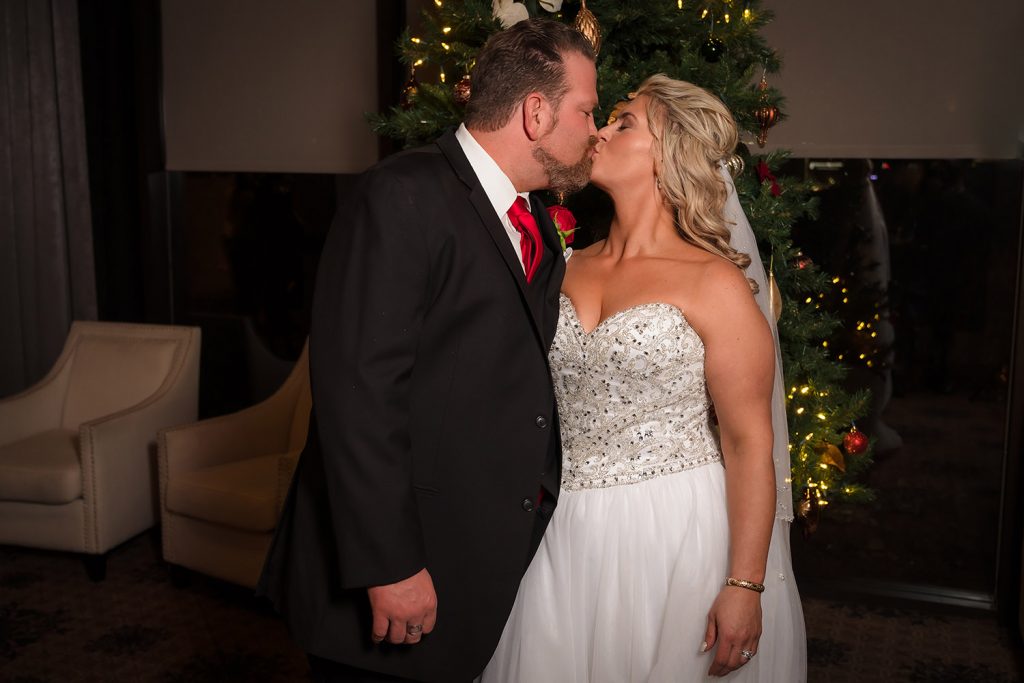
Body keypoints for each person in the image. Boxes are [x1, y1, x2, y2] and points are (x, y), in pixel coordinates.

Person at [256, 19, 598, 683]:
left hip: (463, 563)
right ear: (535, 112)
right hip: (391, 575)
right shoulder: (402, 194)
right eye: (585, 110)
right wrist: (390, 564)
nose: (594, 130)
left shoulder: (535, 226)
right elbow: (358, 393)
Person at [482, 75, 806, 681]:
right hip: (560, 528)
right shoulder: (563, 265)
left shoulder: (716, 284)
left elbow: (749, 444)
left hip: (677, 531)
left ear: (670, 152)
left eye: (624, 122)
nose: (600, 130)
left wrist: (745, 583)